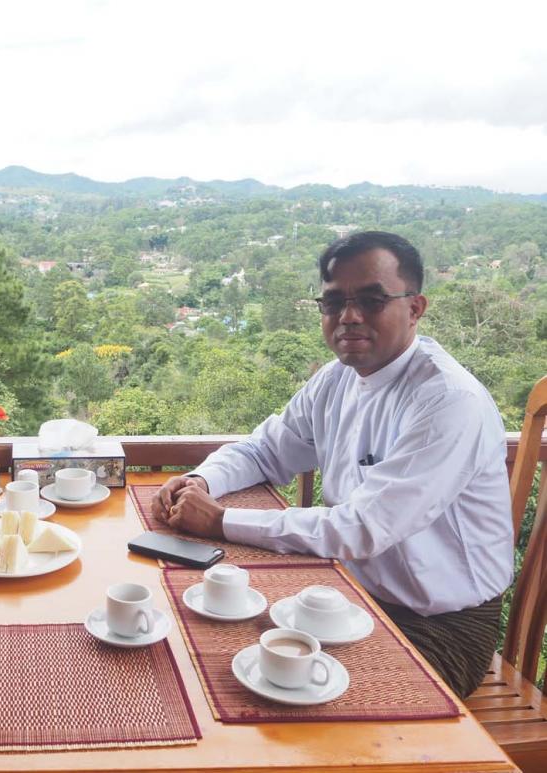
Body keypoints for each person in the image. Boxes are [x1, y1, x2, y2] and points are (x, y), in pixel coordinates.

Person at [151, 231, 512, 698]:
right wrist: (201, 480)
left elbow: (363, 527)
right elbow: (265, 450)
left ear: (416, 307)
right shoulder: (338, 378)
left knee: (299, 704)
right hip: (344, 597)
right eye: (333, 302)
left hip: (437, 625)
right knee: (210, 646)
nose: (349, 316)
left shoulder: (446, 401)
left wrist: (221, 521)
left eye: (371, 299)